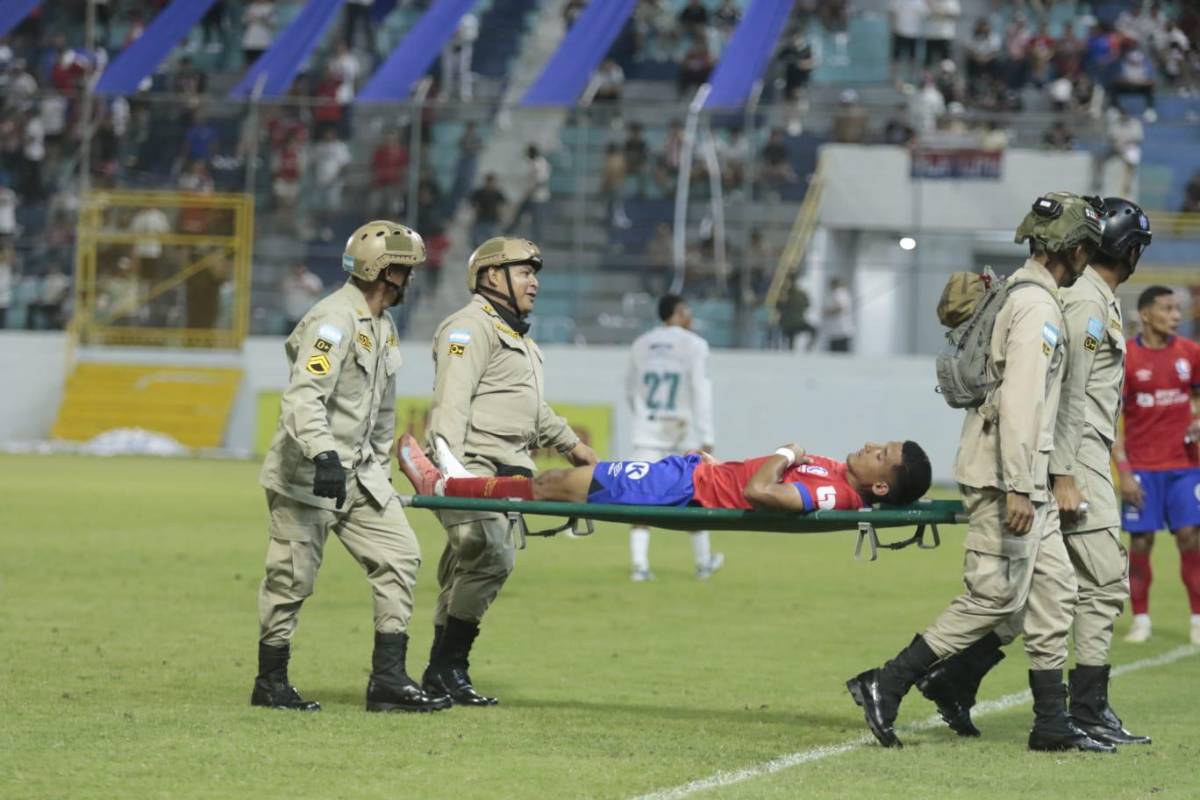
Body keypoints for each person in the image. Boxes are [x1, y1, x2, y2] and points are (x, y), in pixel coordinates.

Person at [845, 192, 1113, 753]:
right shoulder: (1037, 308)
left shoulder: (1029, 296)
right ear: (1071, 246)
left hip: (1022, 472)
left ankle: (1050, 722)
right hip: (1005, 477)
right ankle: (885, 682)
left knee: (1055, 591)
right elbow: (1021, 402)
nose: (1091, 253)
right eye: (1086, 243)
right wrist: (1021, 483)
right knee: (993, 597)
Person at [915, 198, 1154, 747]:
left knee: (1043, 589)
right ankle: (1086, 710)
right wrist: (1064, 472)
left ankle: (955, 676)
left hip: (1078, 457)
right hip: (1076, 461)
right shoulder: (1085, 304)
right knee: (1098, 583)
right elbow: (1064, 393)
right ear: (1130, 250)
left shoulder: (1093, 299)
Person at [254, 221, 448, 714]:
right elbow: (303, 397)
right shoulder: (333, 322)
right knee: (291, 579)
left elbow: (381, 411)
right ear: (386, 272)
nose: (411, 279)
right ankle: (270, 681)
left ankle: (388, 680)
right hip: (308, 475)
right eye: (406, 269)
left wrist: (379, 468)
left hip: (359, 476)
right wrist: (322, 454)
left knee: (400, 555)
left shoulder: (382, 326)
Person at [418, 237, 596, 706]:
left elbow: (533, 411)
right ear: (493, 276)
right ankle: (448, 667)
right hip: (473, 466)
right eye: (524, 272)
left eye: (535, 273)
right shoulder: (468, 329)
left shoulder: (520, 340)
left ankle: (440, 674)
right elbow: (451, 401)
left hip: (508, 471)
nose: (534, 281)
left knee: (465, 569)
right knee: (492, 555)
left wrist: (574, 447)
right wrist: (449, 469)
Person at [399, 435, 931, 514]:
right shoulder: (837, 474)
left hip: (680, 491)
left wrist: (783, 452)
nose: (870, 445)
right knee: (562, 481)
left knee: (553, 485)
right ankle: (460, 480)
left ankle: (444, 485)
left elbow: (758, 491)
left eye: (880, 454)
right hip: (693, 475)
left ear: (880, 485)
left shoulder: (836, 496)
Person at [1117, 286, 1200, 646]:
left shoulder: (1191, 353)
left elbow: (1197, 397)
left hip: (1185, 466)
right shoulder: (1126, 359)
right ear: (1146, 314)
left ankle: (1197, 620)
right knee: (1140, 544)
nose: (1177, 316)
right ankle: (1141, 620)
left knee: (1190, 537)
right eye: (1167, 309)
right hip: (1142, 468)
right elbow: (1111, 421)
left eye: (1177, 309)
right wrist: (1123, 473)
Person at [623, 295, 719, 581]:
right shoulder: (695, 345)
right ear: (678, 313)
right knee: (695, 496)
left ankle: (640, 566)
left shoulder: (640, 344)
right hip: (683, 431)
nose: (690, 317)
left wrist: (645, 417)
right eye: (687, 311)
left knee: (640, 498)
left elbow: (631, 391)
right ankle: (703, 563)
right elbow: (700, 390)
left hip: (647, 431)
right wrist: (707, 434)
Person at [823, 277, 854, 353]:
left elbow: (840, 308)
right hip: (838, 331)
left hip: (840, 331)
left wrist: (827, 312)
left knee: (838, 355)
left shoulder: (839, 293)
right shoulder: (842, 293)